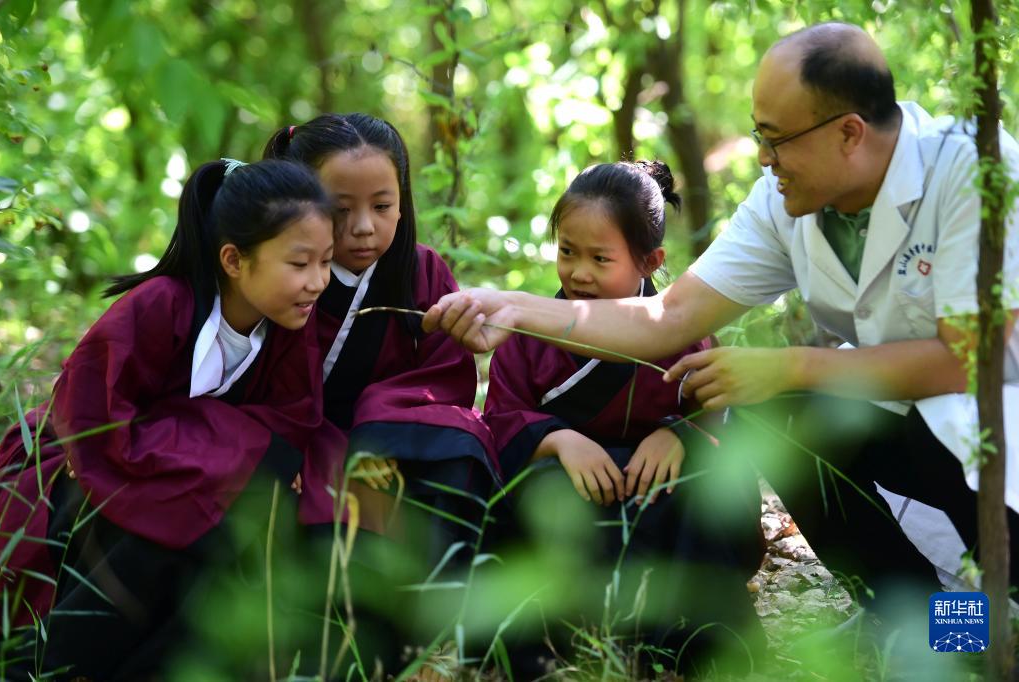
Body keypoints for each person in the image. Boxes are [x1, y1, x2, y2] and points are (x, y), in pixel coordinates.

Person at [424, 22, 1019, 635]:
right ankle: (931, 627)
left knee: (792, 391)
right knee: (777, 410)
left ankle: (988, 623)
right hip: (891, 411)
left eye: (777, 138)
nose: (764, 157)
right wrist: (515, 308)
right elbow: (670, 316)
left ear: (849, 133)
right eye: (760, 135)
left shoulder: (971, 169)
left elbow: (964, 359)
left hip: (997, 419)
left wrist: (788, 366)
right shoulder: (783, 201)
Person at [0, 159, 343, 679]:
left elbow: (286, 425)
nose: (318, 282)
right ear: (233, 259)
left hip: (190, 477)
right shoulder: (159, 305)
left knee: (246, 534)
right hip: (88, 470)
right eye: (299, 264)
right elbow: (91, 418)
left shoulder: (291, 326)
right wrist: (222, 448)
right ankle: (53, 665)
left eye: (326, 262)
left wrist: (231, 454)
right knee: (152, 535)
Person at [482, 159, 764, 673]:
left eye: (599, 258)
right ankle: (557, 640)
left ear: (649, 261)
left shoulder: (683, 332)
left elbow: (719, 412)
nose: (578, 273)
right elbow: (499, 420)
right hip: (575, 494)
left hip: (665, 497)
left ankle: (700, 643)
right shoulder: (529, 339)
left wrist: (680, 435)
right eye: (567, 252)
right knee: (542, 490)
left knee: (700, 487)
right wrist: (558, 441)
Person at [262, 114, 498, 545]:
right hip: (307, 437)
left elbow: (447, 376)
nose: (364, 227)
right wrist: (302, 446)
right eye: (341, 209)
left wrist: (380, 427)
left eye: (382, 206)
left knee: (464, 447)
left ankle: (447, 593)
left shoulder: (423, 271)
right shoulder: (281, 277)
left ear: (403, 202)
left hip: (398, 436)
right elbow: (261, 383)